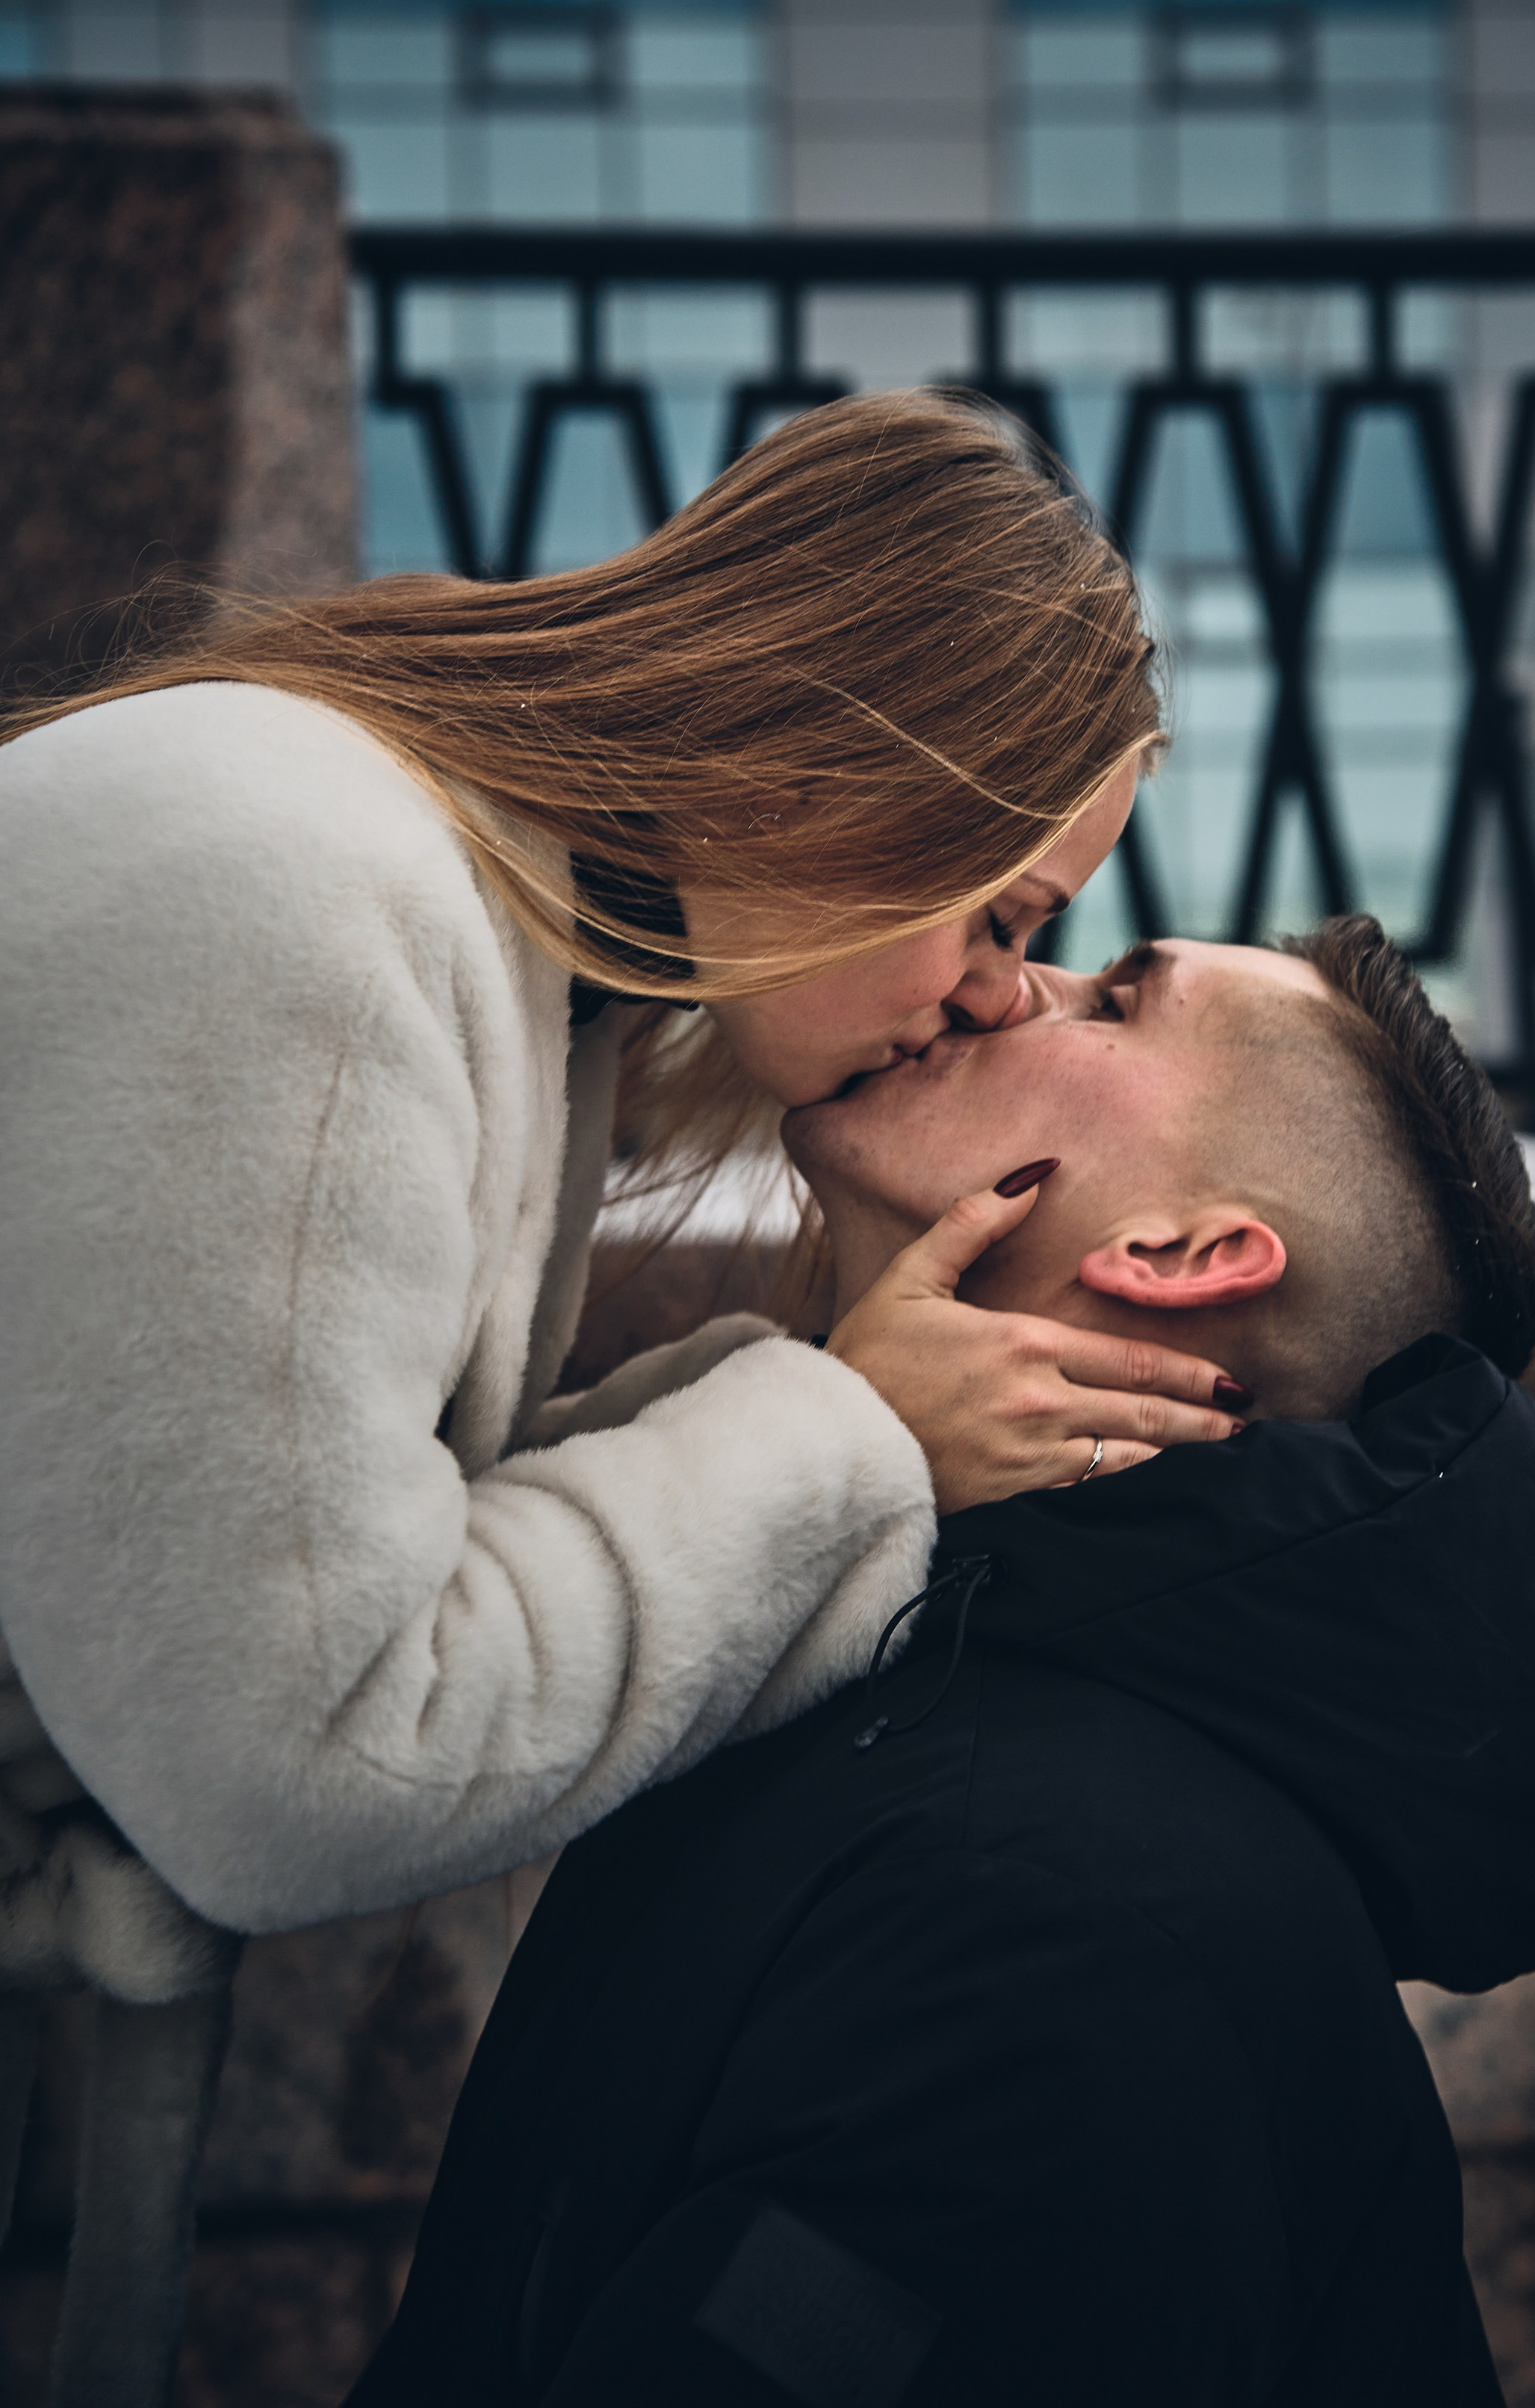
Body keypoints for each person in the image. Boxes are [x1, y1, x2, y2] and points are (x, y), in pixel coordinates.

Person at [0, 391, 1249, 1968]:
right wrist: (852, 1438)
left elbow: (345, 1546)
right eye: (1000, 915)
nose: (1006, 992)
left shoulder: (483, 927)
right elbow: (291, 1768)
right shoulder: (312, 910)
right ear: (829, 764)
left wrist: (843, 1411)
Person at [356, 918, 1535, 2408]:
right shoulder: (919, 1698)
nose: (988, 981)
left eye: (1107, 997)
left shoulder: (1050, 1918)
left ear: (1180, 1255)